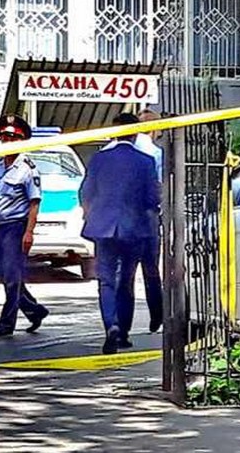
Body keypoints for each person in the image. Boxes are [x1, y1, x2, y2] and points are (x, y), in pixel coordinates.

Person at [80, 113, 161, 354]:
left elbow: (86, 192)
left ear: (115, 132)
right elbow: (152, 198)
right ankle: (123, 332)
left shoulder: (99, 159)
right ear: (136, 134)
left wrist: (93, 214)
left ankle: (111, 325)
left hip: (103, 228)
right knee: (126, 280)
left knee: (105, 280)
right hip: (134, 229)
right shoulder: (145, 161)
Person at [0, 114, 50, 337]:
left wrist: (29, 232)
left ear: (22, 140)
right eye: (4, 137)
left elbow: (34, 203)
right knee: (4, 274)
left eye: (13, 137)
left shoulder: (27, 168)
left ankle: (6, 323)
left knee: (12, 278)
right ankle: (34, 310)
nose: (7, 141)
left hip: (16, 227)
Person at [102, 109, 165, 333]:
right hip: (145, 219)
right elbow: (157, 189)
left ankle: (120, 325)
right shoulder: (153, 153)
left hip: (116, 220)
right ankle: (157, 316)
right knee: (151, 270)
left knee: (122, 275)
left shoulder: (106, 151)